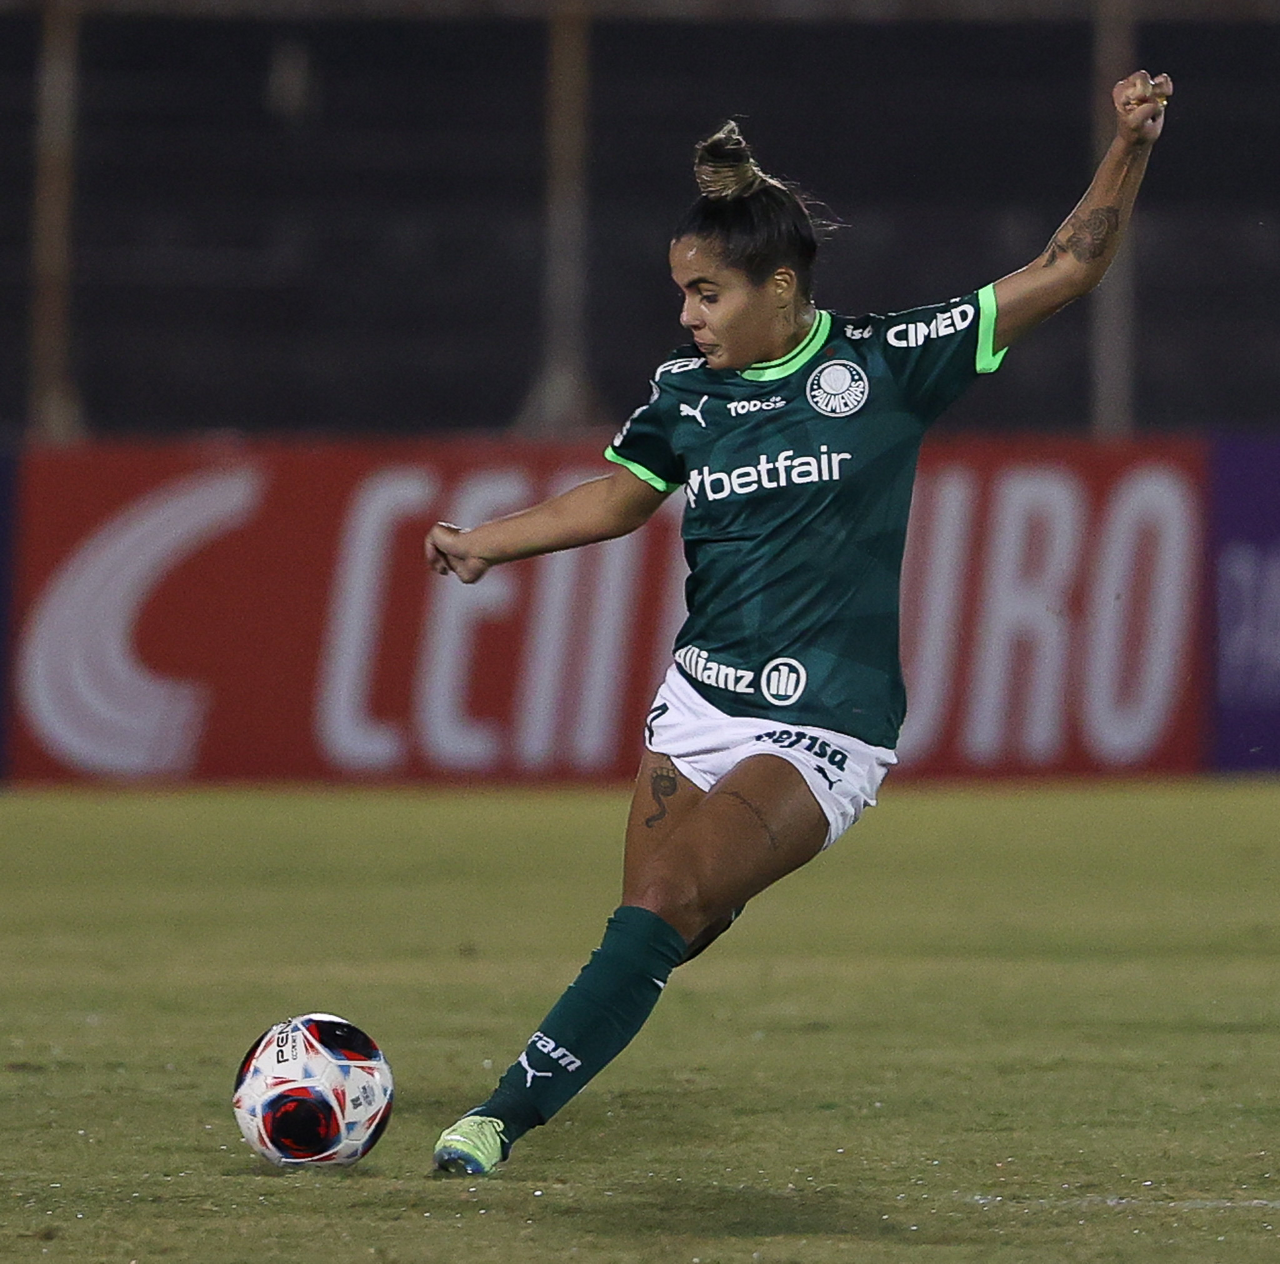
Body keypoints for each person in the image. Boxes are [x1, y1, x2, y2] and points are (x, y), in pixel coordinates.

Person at [424, 70, 1172, 1175]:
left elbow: (1068, 266)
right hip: (698, 702)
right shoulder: (685, 395)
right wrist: (491, 540)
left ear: (778, 287)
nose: (687, 315)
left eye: (707, 294)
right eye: (682, 293)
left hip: (826, 719)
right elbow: (620, 498)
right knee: (659, 923)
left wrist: (1129, 143)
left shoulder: (884, 363)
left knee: (666, 900)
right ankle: (605, 1010)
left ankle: (495, 1120)